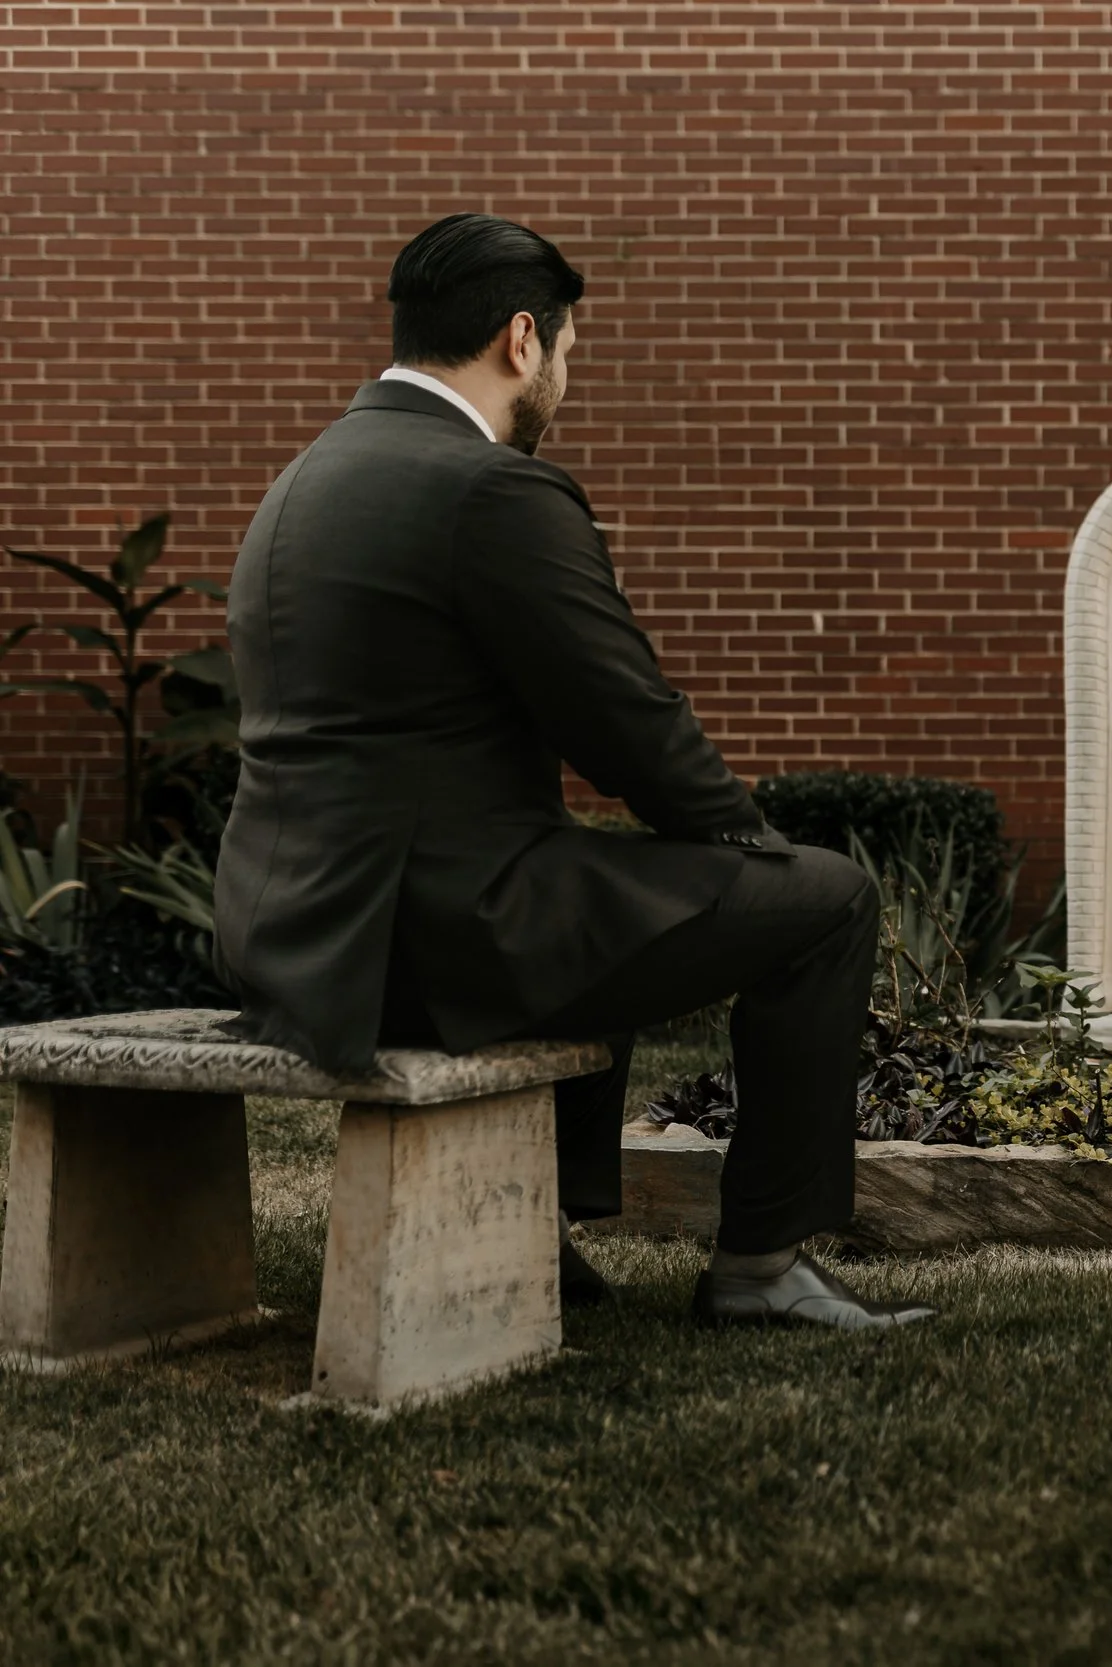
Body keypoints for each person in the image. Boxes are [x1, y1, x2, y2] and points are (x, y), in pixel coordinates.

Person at [214, 213, 933, 1331]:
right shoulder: (487, 488)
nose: (564, 378)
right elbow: (626, 721)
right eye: (567, 354)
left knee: (611, 891)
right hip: (430, 939)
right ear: (519, 340)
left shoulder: (306, 479)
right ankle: (760, 1265)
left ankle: (537, 1229)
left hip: (291, 936)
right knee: (825, 900)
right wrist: (746, 840)